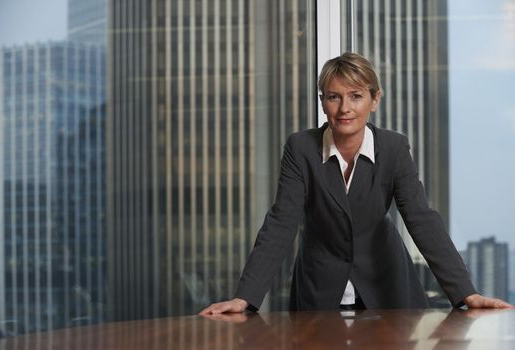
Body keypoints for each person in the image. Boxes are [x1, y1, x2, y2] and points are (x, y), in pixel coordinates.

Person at [199, 52, 513, 315]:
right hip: (320, 290)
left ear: (375, 100)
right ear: (323, 102)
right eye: (334, 97)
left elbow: (420, 218)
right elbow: (281, 222)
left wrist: (466, 293)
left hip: (386, 285)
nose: (345, 108)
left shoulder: (393, 148)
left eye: (356, 96)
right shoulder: (301, 148)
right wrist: (245, 297)